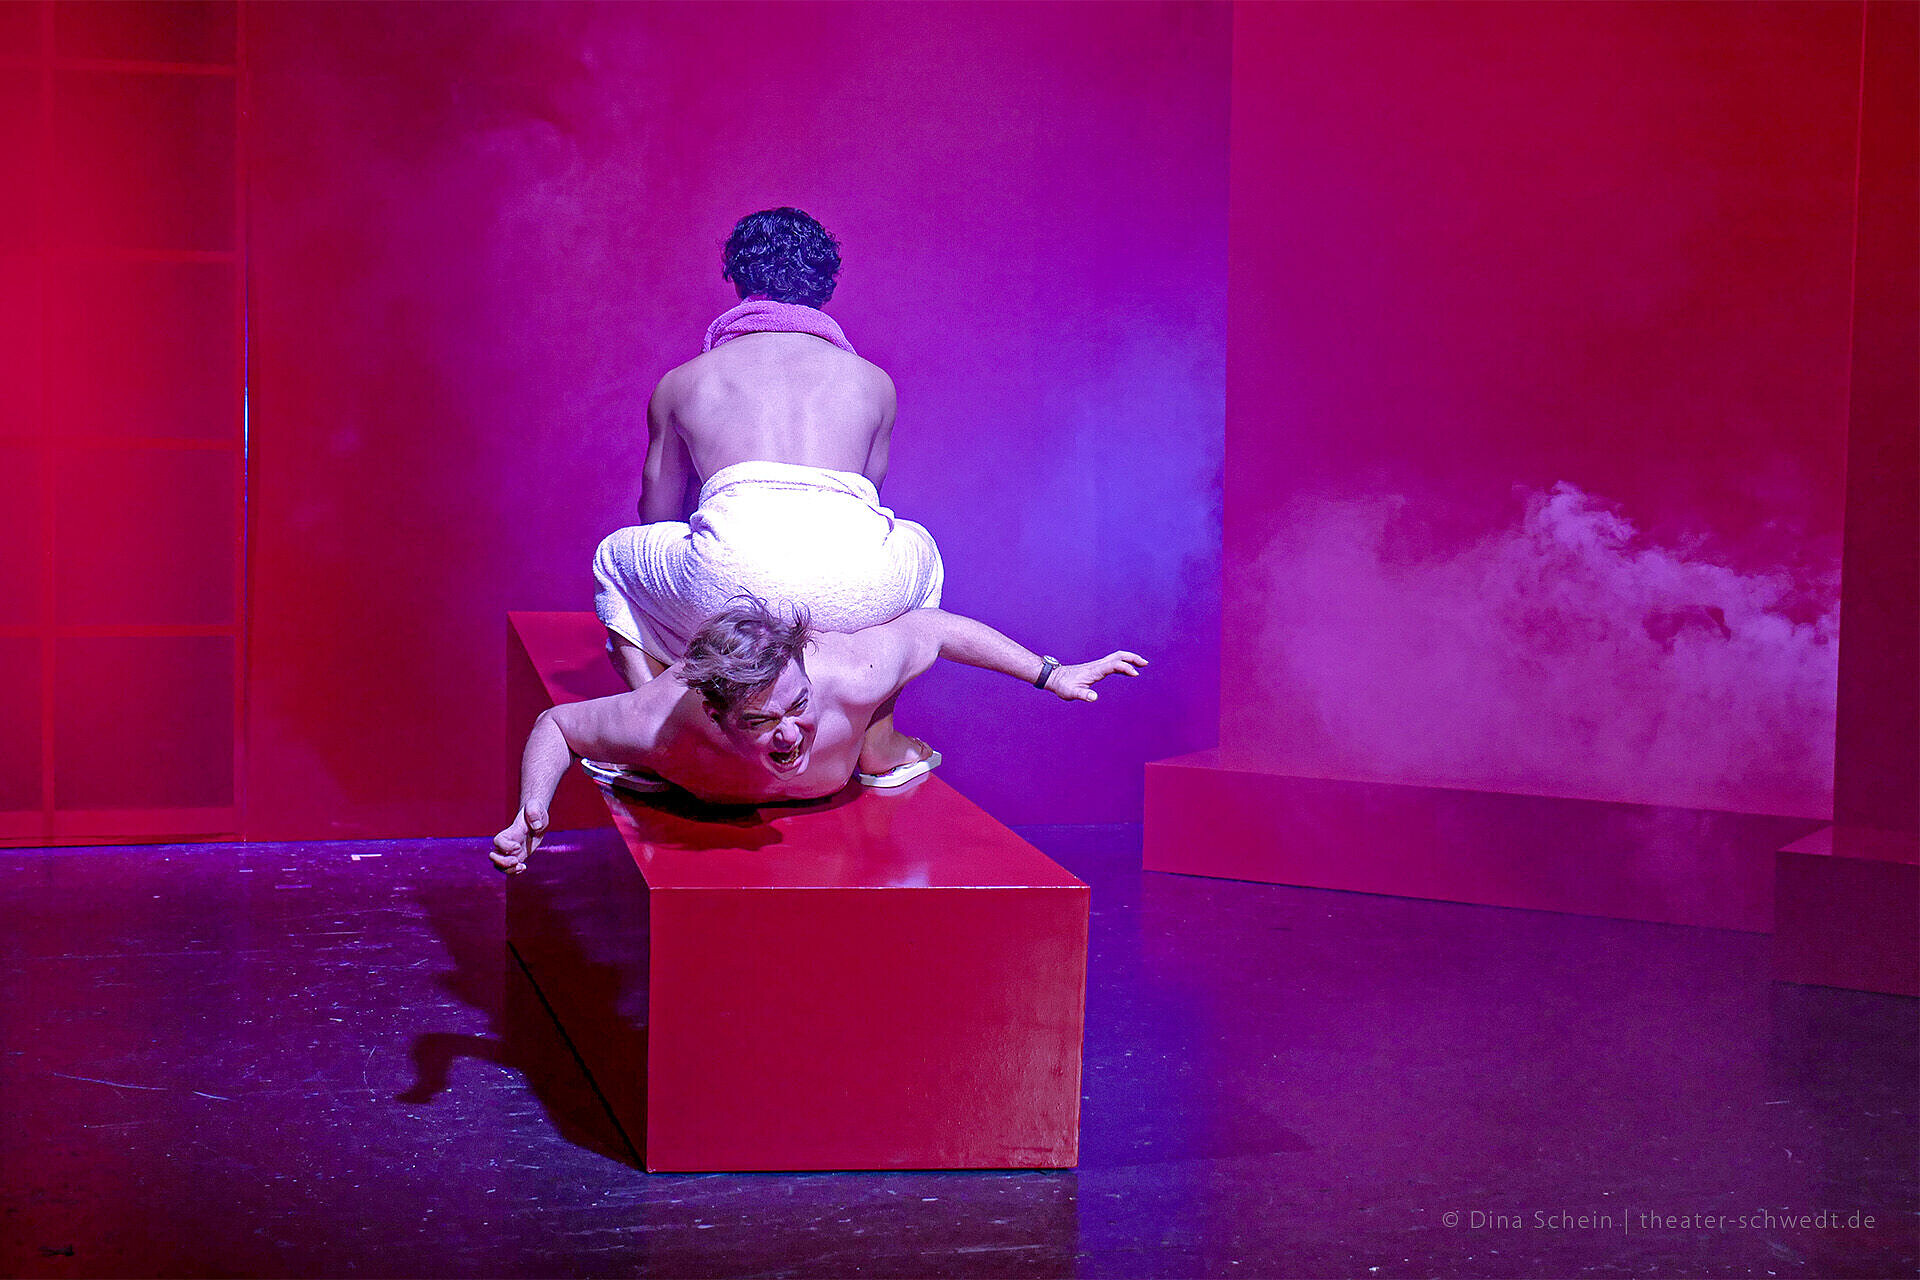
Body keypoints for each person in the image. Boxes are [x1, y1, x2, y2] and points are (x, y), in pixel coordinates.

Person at [592, 207, 942, 785]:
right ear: (825, 286)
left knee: (614, 558)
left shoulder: (683, 381)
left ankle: (655, 734)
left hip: (731, 587)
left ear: (737, 280)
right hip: (852, 588)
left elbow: (655, 516)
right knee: (919, 552)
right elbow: (864, 503)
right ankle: (879, 741)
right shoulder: (874, 383)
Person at [490, 598, 1146, 875]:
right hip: (674, 702)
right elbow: (557, 725)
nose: (789, 735)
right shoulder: (659, 723)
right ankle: (639, 650)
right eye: (759, 722)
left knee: (873, 719)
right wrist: (531, 811)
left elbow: (935, 626)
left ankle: (879, 740)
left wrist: (1052, 675)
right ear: (715, 715)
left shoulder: (850, 672)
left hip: (840, 674)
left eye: (797, 707)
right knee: (621, 584)